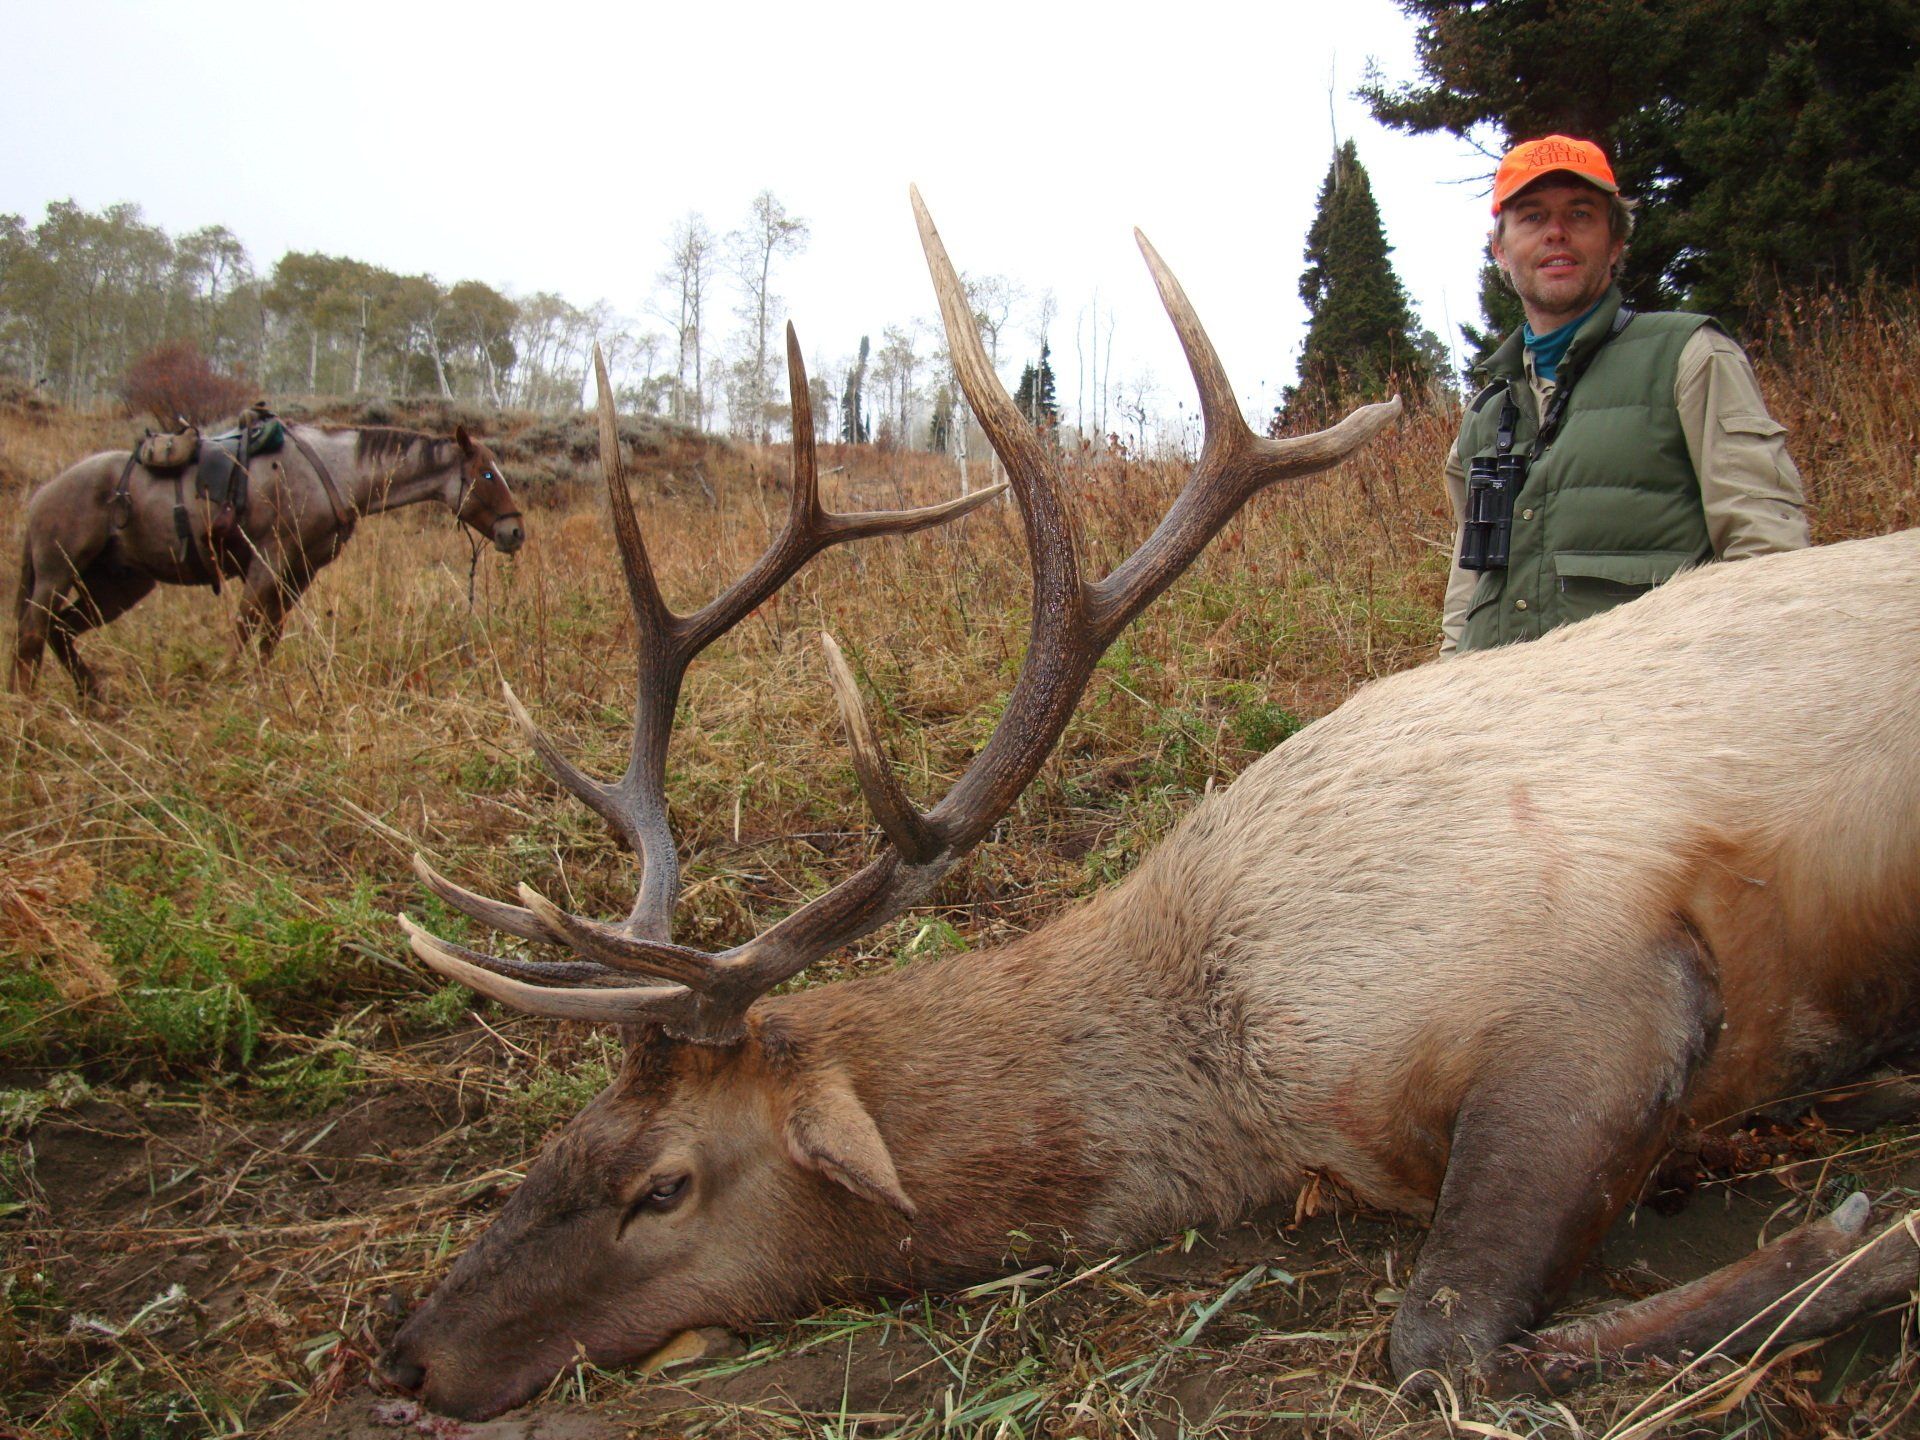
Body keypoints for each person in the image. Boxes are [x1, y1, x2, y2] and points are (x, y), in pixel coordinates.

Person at [1441, 135, 1809, 655]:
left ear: (1615, 242)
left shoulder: (1691, 355)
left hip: (1649, 713)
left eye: (1581, 213)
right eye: (1532, 217)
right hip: (1505, 719)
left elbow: (1768, 553)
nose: (1556, 233)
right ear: (1500, 249)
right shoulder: (1486, 411)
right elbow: (1467, 583)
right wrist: (1448, 685)